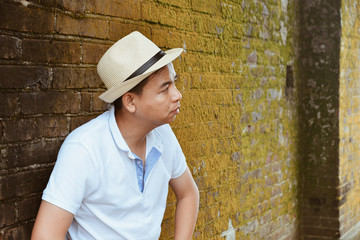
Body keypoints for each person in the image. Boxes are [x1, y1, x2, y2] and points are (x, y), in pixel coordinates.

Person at [31, 31, 199, 240]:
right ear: (130, 101)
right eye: (165, 89)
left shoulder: (163, 133)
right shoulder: (84, 148)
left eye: (174, 83)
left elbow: (188, 194)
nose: (177, 95)